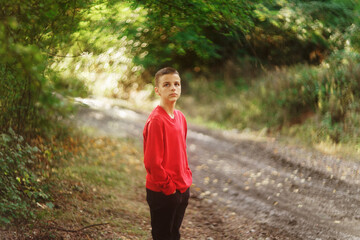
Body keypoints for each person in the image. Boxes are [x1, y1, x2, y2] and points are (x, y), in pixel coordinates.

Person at [143, 67, 192, 240]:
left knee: (174, 234)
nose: (173, 88)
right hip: (163, 192)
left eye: (176, 84)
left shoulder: (180, 117)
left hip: (181, 188)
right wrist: (169, 189)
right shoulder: (157, 120)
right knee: (162, 235)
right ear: (157, 90)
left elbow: (182, 152)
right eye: (167, 84)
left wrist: (186, 177)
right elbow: (152, 163)